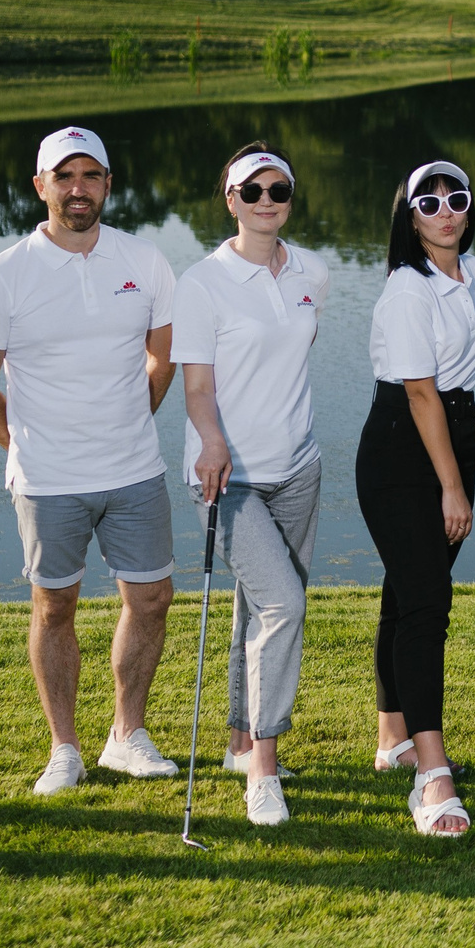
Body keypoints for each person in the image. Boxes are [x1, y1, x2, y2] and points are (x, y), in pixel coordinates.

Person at [0, 126, 181, 796]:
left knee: (151, 598)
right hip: (47, 480)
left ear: (109, 184)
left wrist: (128, 420)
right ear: (40, 186)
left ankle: (127, 735)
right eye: (65, 176)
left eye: (91, 175)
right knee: (54, 607)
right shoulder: (5, 276)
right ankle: (65, 748)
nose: (78, 187)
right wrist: (24, 444)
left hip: (134, 470)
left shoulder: (146, 261)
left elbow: (162, 357)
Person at [174, 143, 326, 829]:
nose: (268, 200)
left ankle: (240, 741)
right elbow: (198, 387)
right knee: (284, 603)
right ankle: (263, 768)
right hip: (225, 474)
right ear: (230, 198)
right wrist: (211, 440)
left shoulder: (313, 273)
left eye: (280, 189)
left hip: (297, 468)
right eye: (254, 190)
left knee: (256, 608)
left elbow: (292, 361)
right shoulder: (201, 281)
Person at [358, 158, 475, 837]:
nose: (445, 210)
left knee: (406, 594)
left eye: (456, 198)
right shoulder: (408, 289)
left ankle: (393, 735)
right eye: (429, 202)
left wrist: (458, 466)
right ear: (410, 217)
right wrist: (450, 484)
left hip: (453, 436)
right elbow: (418, 390)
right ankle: (431, 775)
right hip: (403, 449)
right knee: (427, 603)